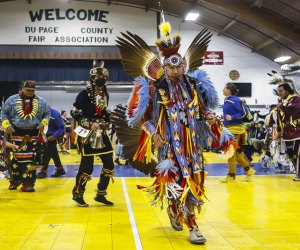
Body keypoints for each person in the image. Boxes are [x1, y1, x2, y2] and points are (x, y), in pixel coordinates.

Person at [113, 19, 221, 244]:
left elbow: (201, 109)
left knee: (194, 181)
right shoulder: (154, 88)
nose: (175, 70)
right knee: (176, 183)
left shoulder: (193, 85)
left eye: (179, 66)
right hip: (169, 147)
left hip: (192, 146)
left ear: (183, 66)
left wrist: (209, 116)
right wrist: (154, 134)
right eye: (171, 67)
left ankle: (178, 212)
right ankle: (192, 224)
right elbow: (142, 117)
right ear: (164, 67)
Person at [70, 60, 114, 207]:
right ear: (92, 78)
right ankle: (78, 194)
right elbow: (74, 112)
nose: (100, 80)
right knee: (87, 166)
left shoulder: (105, 93)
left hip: (102, 132)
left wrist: (108, 118)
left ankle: (101, 194)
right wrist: (89, 124)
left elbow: (102, 112)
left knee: (109, 163)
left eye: (103, 77)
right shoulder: (84, 93)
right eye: (97, 77)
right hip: (88, 133)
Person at [1, 80, 50, 192]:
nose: (30, 92)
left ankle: (28, 183)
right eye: (28, 90)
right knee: (17, 158)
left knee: (30, 158)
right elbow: (3, 113)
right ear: (22, 88)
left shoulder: (41, 101)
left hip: (33, 133)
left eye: (32, 90)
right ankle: (15, 180)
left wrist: (43, 123)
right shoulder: (12, 100)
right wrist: (6, 125)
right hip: (16, 132)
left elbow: (47, 114)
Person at [222, 83, 256, 182]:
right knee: (236, 154)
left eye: (224, 88)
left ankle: (231, 176)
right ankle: (249, 170)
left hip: (235, 129)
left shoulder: (235, 100)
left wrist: (232, 117)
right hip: (230, 129)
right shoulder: (228, 100)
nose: (222, 90)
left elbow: (243, 113)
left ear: (229, 90)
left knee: (231, 153)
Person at [275, 81, 300, 180]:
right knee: (290, 154)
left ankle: (299, 174)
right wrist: (279, 131)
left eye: (281, 91)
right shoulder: (282, 103)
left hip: (297, 130)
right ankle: (297, 171)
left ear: (287, 90)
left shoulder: (296, 99)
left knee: (297, 153)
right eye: (278, 91)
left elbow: (293, 110)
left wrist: (281, 106)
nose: (279, 93)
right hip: (286, 133)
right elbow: (279, 119)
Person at [37, 107, 66, 179]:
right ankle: (60, 169)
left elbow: (62, 127)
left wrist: (55, 135)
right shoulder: (39, 113)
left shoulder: (54, 114)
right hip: (45, 134)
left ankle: (43, 171)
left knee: (47, 153)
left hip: (52, 135)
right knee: (53, 152)